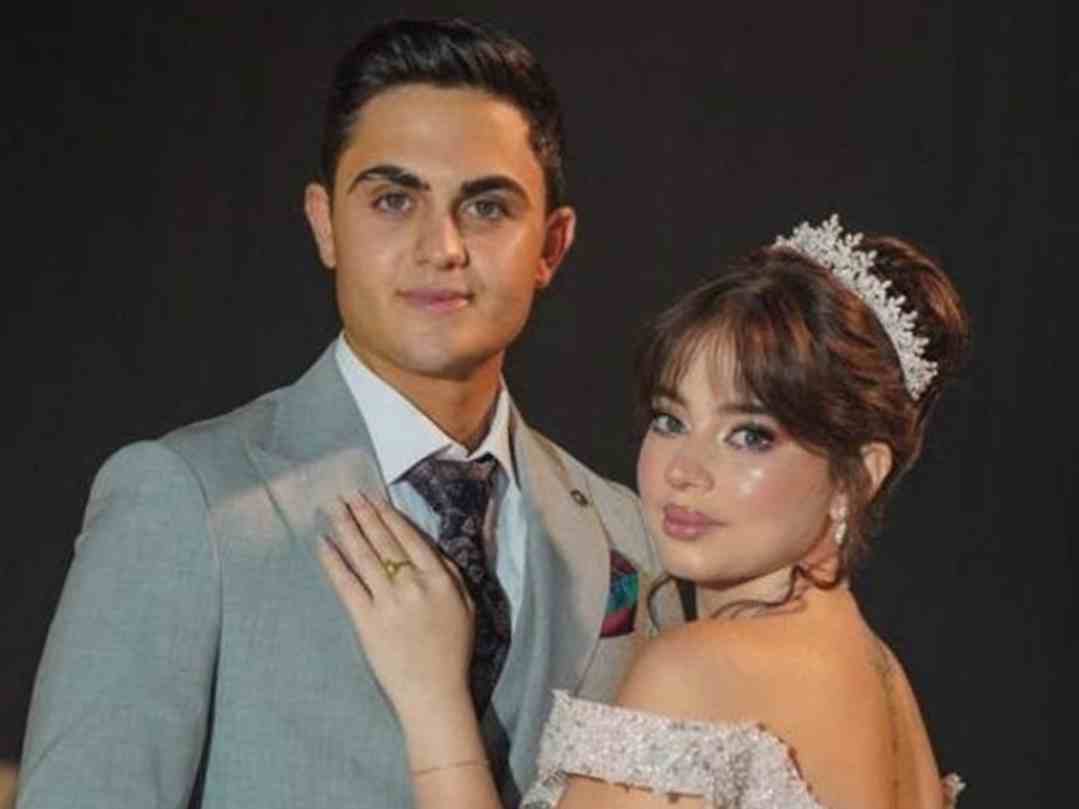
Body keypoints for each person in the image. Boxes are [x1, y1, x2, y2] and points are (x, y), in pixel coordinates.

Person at [16, 18, 662, 809]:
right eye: (393, 200)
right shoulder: (186, 502)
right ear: (325, 224)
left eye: (487, 207)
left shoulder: (627, 536)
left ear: (551, 245)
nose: (442, 246)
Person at [320, 215, 969, 808]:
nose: (684, 469)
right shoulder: (885, 682)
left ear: (858, 475)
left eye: (750, 435)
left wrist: (434, 703)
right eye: (670, 419)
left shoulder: (698, 670)